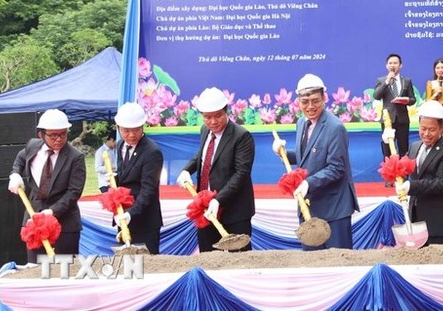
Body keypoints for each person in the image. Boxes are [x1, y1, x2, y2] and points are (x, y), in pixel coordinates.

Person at [272, 74, 360, 249]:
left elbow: (336, 168)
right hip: (310, 207)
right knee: (313, 264)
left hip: (333, 209)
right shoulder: (301, 123)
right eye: (305, 102)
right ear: (298, 101)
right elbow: (307, 156)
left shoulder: (335, 127)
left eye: (315, 101)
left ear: (324, 98)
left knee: (337, 262)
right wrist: (283, 154)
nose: (310, 106)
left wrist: (308, 183)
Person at [177, 87, 255, 252]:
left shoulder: (241, 136)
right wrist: (187, 170)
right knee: (208, 258)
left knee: (239, 261)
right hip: (205, 209)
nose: (213, 122)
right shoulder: (205, 130)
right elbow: (204, 155)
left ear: (226, 112)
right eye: (207, 117)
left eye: (218, 116)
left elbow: (241, 173)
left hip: (234, 211)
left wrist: (218, 199)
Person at [8, 109, 85, 263]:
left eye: (63, 134)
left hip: (64, 223)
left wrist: (52, 212)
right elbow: (21, 158)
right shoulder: (32, 146)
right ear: (41, 135)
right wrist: (15, 173)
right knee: (36, 269)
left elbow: (74, 192)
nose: (59, 139)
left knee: (63, 271)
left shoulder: (75, 157)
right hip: (34, 220)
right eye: (53, 135)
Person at [395, 100, 443, 245]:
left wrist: (411, 186)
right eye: (423, 128)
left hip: (437, 226)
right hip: (415, 221)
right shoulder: (414, 147)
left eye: (431, 130)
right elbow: (401, 168)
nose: (426, 134)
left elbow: (441, 184)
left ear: (442, 128)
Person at [113, 102, 163, 254]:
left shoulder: (152, 151)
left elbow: (149, 189)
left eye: (136, 130)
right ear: (118, 128)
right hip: (123, 216)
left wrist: (131, 213)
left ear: (142, 127)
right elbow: (123, 177)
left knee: (147, 267)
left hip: (144, 219)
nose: (131, 135)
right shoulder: (121, 145)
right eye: (126, 131)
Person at [374, 53, 416, 160]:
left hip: (402, 120)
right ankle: (389, 175)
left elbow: (413, 99)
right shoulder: (381, 80)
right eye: (390, 63)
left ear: (400, 65)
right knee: (387, 149)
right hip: (388, 120)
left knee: (403, 149)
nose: (393, 65)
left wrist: (406, 101)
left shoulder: (406, 81)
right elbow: (376, 96)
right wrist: (387, 81)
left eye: (395, 63)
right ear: (386, 66)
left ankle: (404, 175)